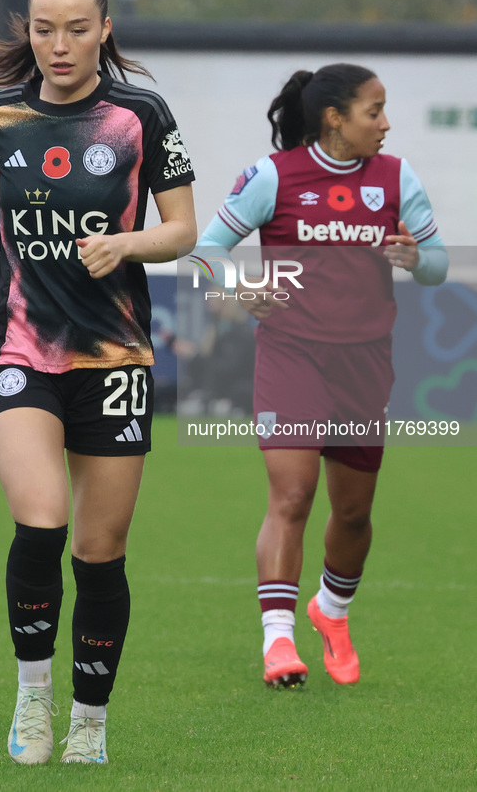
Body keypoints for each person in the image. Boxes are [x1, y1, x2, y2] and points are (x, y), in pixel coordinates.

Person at [0, 0, 196, 766]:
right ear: (30, 32)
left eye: (77, 29)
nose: (60, 45)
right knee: (42, 518)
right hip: (20, 343)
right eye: (45, 30)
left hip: (113, 353)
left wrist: (128, 243)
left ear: (104, 30)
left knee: (99, 549)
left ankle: (91, 722)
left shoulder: (141, 114)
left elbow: (181, 229)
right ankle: (33, 699)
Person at [196, 63, 447, 689]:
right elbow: (207, 252)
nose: (385, 124)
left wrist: (417, 258)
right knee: (293, 495)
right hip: (291, 355)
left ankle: (331, 612)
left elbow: (439, 266)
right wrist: (238, 288)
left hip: (365, 363)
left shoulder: (397, 176)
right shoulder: (274, 176)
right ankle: (278, 642)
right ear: (335, 118)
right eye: (374, 111)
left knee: (354, 514)